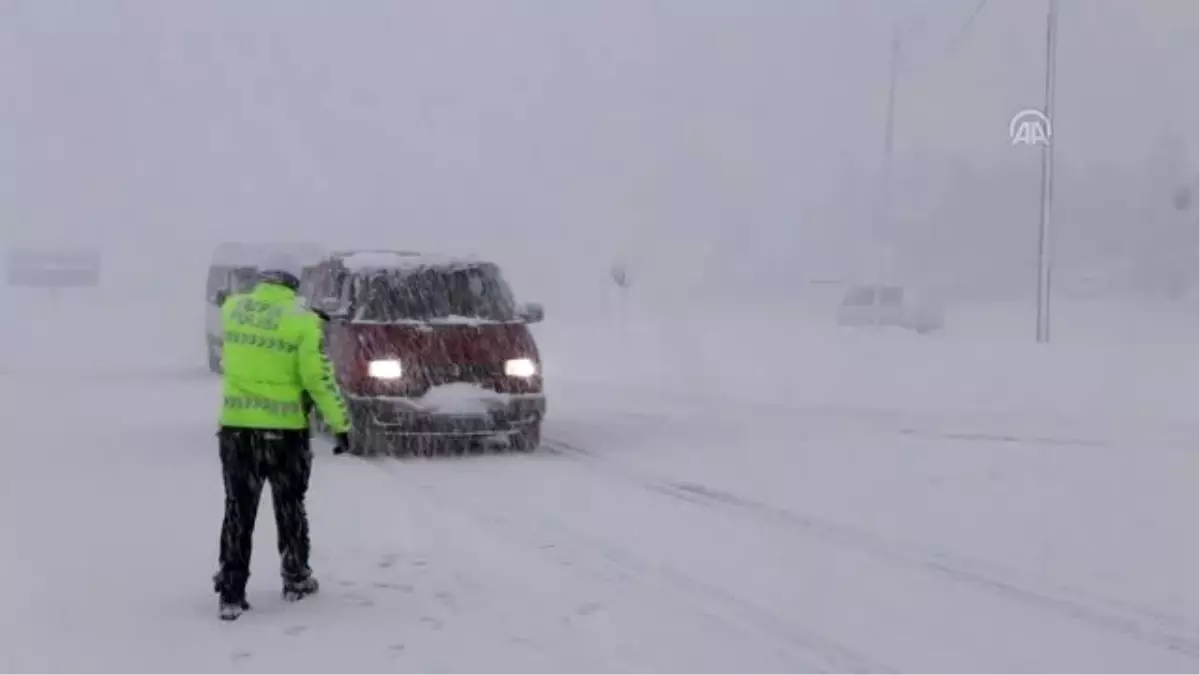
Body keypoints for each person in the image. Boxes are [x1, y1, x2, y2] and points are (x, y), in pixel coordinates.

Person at [212, 267, 352, 620]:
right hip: (286, 434)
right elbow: (317, 377)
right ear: (294, 289)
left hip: (237, 430)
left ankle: (231, 590)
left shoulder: (235, 309)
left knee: (238, 510)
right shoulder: (303, 322)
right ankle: (295, 577)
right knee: (290, 505)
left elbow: (229, 304)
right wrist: (340, 424)